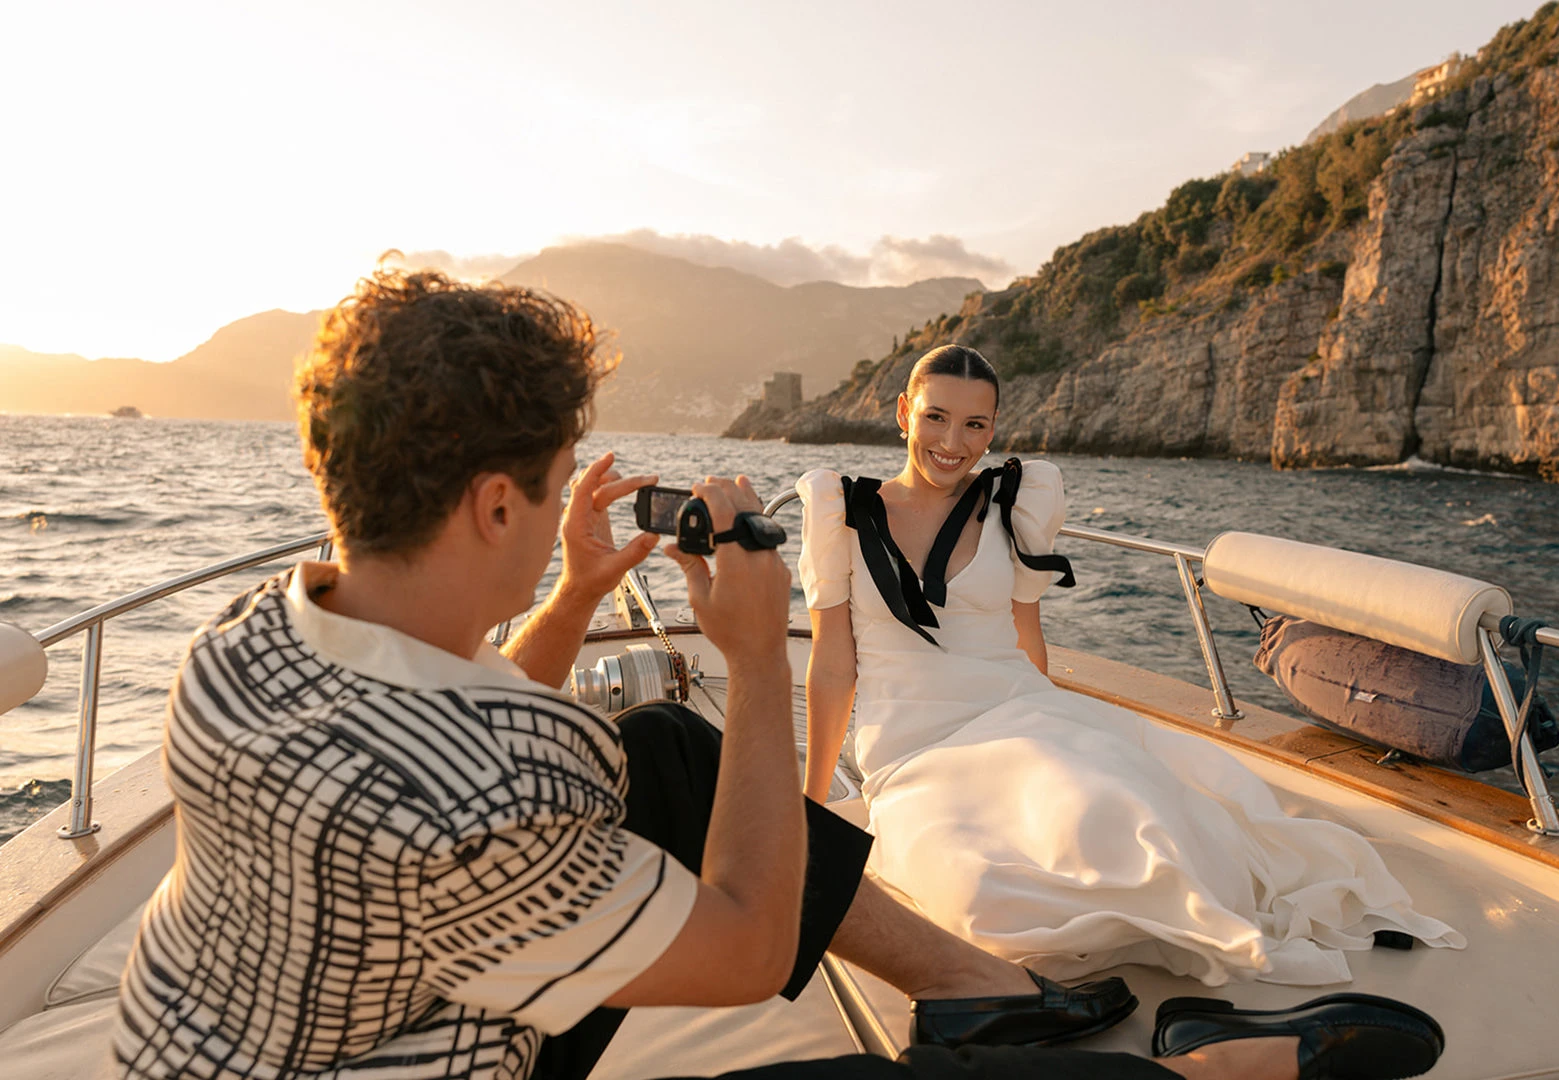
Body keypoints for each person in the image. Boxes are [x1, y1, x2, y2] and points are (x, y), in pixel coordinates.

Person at [113, 271, 1444, 1080]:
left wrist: (577, 586)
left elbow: (463, 710)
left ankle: (976, 993)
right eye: (557, 469)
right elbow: (748, 951)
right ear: (489, 507)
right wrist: (756, 662)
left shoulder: (241, 642)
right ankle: (1220, 1071)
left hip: (275, 1033)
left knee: (657, 751)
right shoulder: (496, 787)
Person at [798, 344, 1466, 989]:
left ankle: (1187, 894)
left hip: (1017, 710)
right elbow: (832, 666)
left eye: (975, 423)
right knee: (972, 888)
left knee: (1108, 802)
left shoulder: (1013, 504)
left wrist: (1064, 729)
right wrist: (812, 800)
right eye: (935, 417)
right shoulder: (844, 515)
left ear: (994, 427)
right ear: (902, 412)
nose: (953, 441)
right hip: (912, 743)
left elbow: (1029, 643)